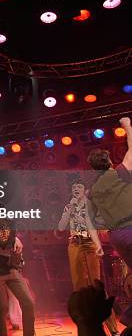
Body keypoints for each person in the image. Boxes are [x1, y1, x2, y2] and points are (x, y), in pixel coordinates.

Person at [58, 181, 120, 334]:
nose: (77, 191)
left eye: (79, 188)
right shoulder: (69, 207)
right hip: (75, 245)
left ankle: (113, 329)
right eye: (74, 189)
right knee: (78, 286)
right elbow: (60, 227)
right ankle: (84, 328)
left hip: (90, 245)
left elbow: (104, 227)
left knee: (96, 286)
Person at [87, 117, 132, 326]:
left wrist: (97, 245)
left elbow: (90, 221)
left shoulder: (93, 191)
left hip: (117, 237)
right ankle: (129, 315)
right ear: (110, 162)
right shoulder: (121, 173)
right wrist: (127, 126)